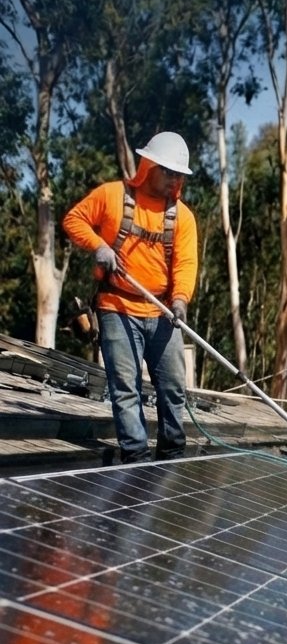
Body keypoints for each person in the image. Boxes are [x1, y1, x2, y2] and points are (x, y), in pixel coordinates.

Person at [63, 132, 198, 463]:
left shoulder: (182, 217)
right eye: (168, 171)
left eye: (179, 174)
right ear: (148, 166)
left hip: (163, 312)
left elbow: (185, 263)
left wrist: (180, 300)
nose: (174, 179)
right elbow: (73, 220)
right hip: (117, 307)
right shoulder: (111, 196)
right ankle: (137, 460)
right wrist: (99, 246)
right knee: (126, 387)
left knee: (172, 389)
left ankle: (171, 456)